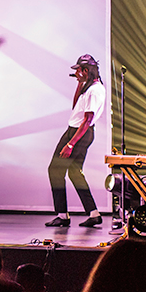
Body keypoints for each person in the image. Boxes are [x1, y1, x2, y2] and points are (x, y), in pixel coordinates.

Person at [45, 54, 106, 227]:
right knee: (74, 172)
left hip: (78, 133)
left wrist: (70, 143)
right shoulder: (90, 87)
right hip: (79, 131)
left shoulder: (94, 91)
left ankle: (63, 215)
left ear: (86, 70)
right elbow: (75, 107)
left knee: (55, 170)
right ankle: (93, 213)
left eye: (78, 70)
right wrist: (79, 83)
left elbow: (87, 120)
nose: (76, 73)